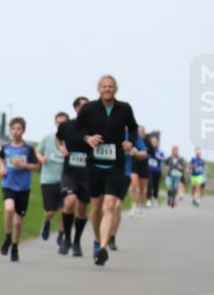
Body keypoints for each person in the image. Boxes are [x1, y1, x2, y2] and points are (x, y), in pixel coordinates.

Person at [68, 75, 138, 267]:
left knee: (109, 206)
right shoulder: (89, 108)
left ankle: (103, 248)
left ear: (116, 89)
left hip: (115, 164)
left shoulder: (125, 108)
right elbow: (74, 130)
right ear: (98, 88)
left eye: (111, 86)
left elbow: (133, 128)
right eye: (104, 86)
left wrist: (130, 141)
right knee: (97, 207)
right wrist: (87, 138)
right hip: (94, 165)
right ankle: (98, 240)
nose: (107, 89)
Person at [0, 117, 40, 262]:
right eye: (13, 128)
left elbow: (36, 166)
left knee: (18, 222)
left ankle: (15, 246)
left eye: (19, 129)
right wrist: (2, 167)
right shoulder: (6, 147)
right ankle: (8, 238)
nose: (16, 131)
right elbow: (0, 158)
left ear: (23, 130)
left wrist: (23, 165)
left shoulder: (28, 149)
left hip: (23, 187)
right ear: (10, 130)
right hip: (8, 184)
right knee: (9, 209)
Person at [56, 97, 92, 257]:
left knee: (82, 210)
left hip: (88, 173)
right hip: (70, 172)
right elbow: (58, 138)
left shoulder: (94, 127)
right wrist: (62, 148)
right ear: (76, 108)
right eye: (83, 106)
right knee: (69, 203)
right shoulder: (66, 126)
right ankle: (67, 239)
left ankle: (77, 242)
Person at [105, 125, 147, 251]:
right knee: (105, 206)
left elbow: (144, 153)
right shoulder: (106, 130)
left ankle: (112, 236)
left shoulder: (133, 135)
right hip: (105, 172)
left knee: (117, 206)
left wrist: (136, 153)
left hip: (124, 173)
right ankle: (101, 235)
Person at [35, 112, 69, 244]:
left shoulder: (70, 139)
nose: (61, 125)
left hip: (65, 180)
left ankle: (61, 234)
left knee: (64, 210)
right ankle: (47, 222)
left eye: (63, 122)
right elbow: (37, 150)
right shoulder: (48, 138)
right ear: (55, 123)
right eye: (58, 122)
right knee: (50, 211)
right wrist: (41, 158)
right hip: (48, 179)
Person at [128, 124, 150, 216]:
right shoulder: (132, 138)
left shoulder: (146, 141)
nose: (140, 132)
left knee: (142, 189)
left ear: (144, 133)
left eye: (142, 131)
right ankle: (133, 207)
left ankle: (141, 205)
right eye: (138, 130)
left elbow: (148, 153)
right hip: (134, 165)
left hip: (143, 166)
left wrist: (138, 153)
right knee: (134, 186)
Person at [145, 133, 164, 208]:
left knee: (156, 185)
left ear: (158, 142)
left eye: (155, 141)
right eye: (152, 141)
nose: (154, 142)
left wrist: (156, 156)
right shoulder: (148, 149)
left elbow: (163, 158)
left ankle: (155, 197)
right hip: (149, 170)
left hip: (157, 171)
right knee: (149, 184)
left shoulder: (160, 151)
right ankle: (148, 199)